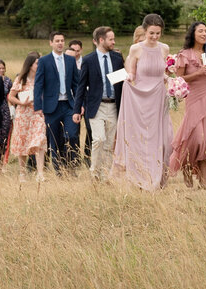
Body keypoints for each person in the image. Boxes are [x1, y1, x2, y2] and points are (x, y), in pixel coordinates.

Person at [110, 14, 174, 190]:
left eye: (158, 33)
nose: (154, 37)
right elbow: (132, 72)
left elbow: (161, 72)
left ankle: (156, 177)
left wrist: (171, 80)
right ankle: (140, 178)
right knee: (140, 139)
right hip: (140, 99)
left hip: (158, 98)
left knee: (163, 140)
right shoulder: (136, 49)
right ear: (145, 31)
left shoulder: (164, 49)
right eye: (151, 33)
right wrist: (129, 77)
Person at [168, 21, 206, 189]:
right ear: (193, 34)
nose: (204, 34)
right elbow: (178, 79)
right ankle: (187, 169)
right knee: (196, 138)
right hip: (194, 98)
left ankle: (203, 180)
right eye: (201, 31)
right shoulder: (184, 54)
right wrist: (198, 73)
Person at [74, 27, 124, 179]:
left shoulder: (117, 58)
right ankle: (94, 172)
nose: (114, 42)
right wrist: (76, 110)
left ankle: (105, 176)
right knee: (99, 139)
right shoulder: (88, 60)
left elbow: (122, 83)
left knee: (108, 144)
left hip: (114, 106)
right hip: (96, 106)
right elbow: (81, 86)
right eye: (111, 39)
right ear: (101, 40)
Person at [33, 32, 80, 174]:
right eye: (57, 41)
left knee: (71, 135)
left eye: (62, 40)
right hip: (51, 107)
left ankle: (71, 165)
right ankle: (59, 170)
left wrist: (79, 104)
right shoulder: (44, 61)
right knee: (54, 139)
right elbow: (38, 84)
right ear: (51, 43)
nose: (60, 43)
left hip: (69, 105)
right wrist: (38, 106)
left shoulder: (70, 60)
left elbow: (76, 84)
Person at [7, 52, 46, 182]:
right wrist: (21, 102)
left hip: (38, 114)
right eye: (37, 63)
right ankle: (22, 173)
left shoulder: (42, 78)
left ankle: (40, 173)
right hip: (23, 114)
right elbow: (11, 96)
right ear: (30, 65)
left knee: (40, 140)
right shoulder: (21, 79)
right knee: (22, 143)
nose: (39, 65)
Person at [0, 59, 13, 166]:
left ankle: (1, 161)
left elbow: (11, 96)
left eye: (3, 68)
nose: (1, 70)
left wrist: (12, 110)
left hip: (5, 110)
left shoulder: (8, 81)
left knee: (3, 137)